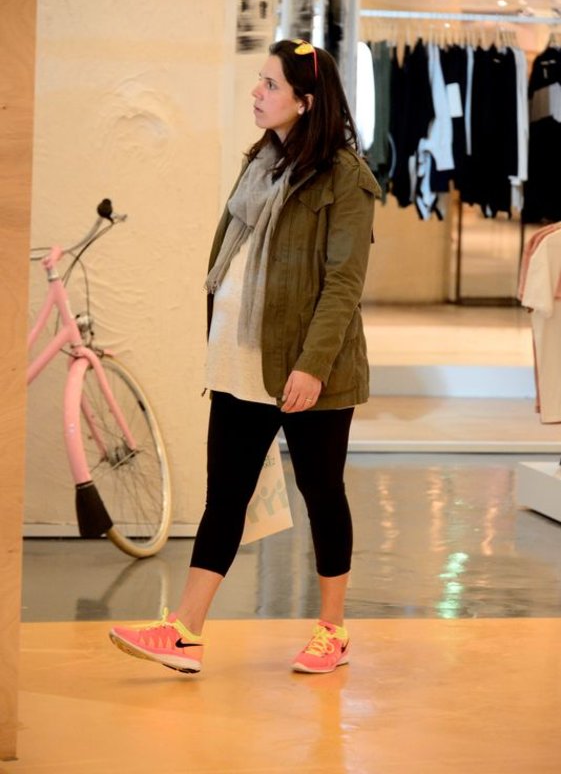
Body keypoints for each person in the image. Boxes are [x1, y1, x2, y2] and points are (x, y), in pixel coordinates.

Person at [109, 38, 380, 675]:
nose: (256, 93)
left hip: (309, 367)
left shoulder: (345, 177)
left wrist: (312, 365)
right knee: (225, 497)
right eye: (259, 81)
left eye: (270, 85)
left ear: (305, 102)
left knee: (321, 493)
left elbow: (343, 282)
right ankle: (185, 633)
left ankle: (333, 631)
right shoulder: (261, 162)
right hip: (241, 359)